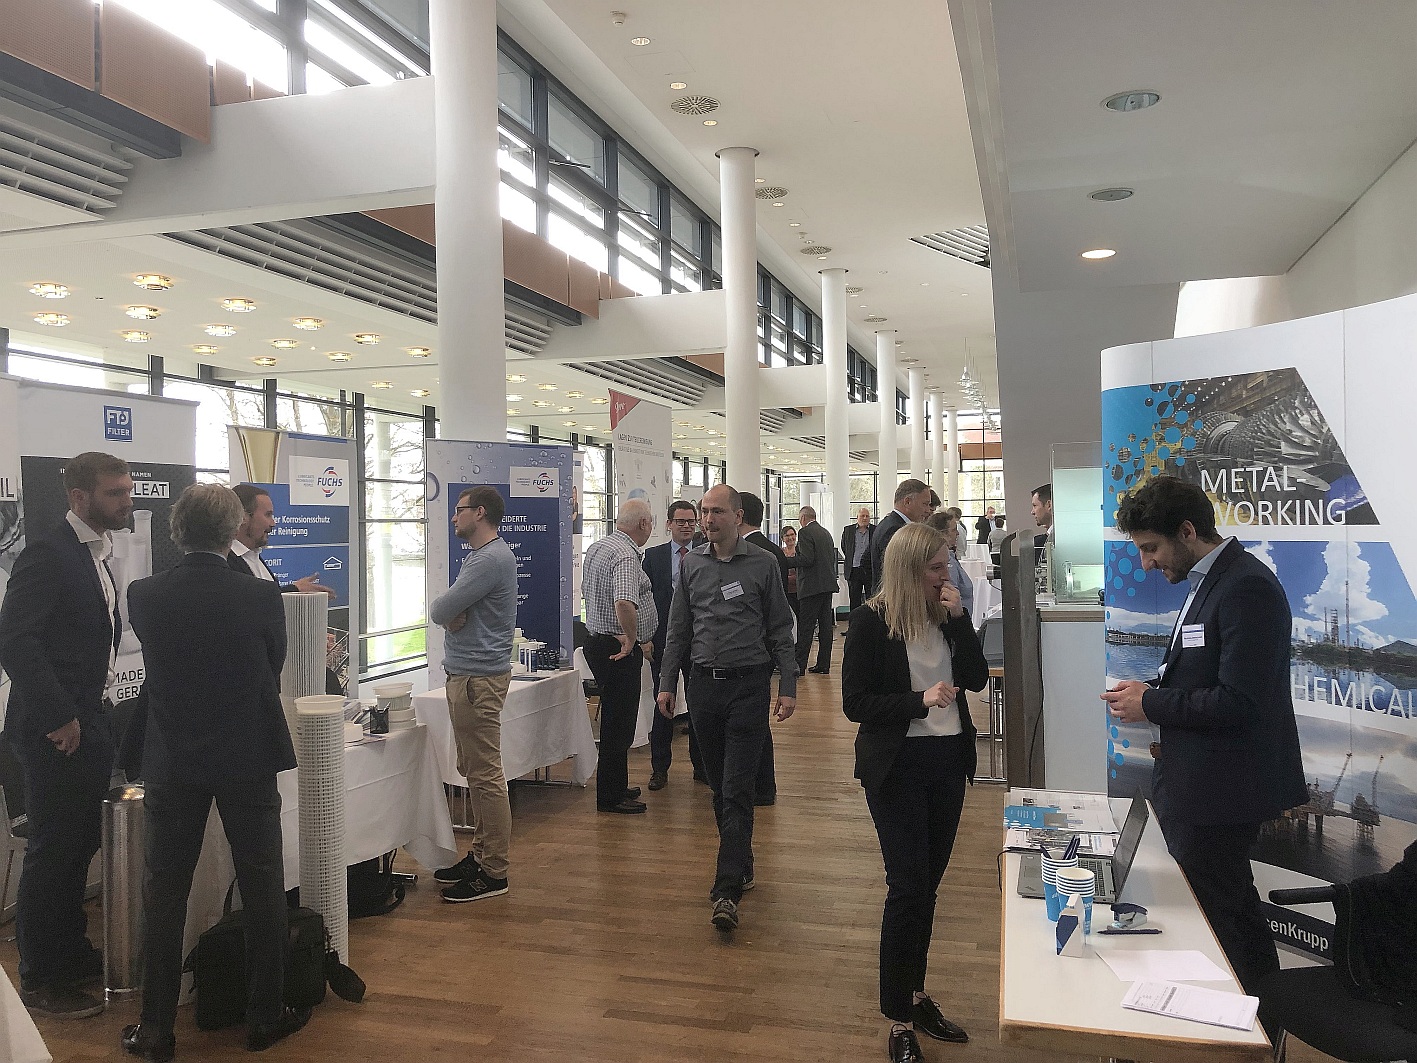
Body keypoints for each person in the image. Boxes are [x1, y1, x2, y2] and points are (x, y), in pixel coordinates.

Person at [1102, 476, 1306, 1001]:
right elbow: (1202, 674)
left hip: (1223, 791)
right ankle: (1251, 1016)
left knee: (1226, 919)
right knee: (1225, 911)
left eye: (1152, 548)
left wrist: (1150, 704)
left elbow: (1240, 701)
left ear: (1188, 531)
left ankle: (1253, 1021)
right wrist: (1152, 694)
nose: (1146, 563)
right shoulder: (1210, 581)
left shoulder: (1246, 588)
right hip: (1200, 786)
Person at [121, 484, 308, 1059]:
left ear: (177, 530)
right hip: (247, 751)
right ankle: (264, 1015)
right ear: (232, 530)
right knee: (262, 882)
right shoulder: (260, 595)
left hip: (173, 756)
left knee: (164, 890)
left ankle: (155, 1029)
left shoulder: (145, 595)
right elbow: (272, 664)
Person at [842, 521, 987, 1063]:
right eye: (936, 568)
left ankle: (917, 994)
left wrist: (962, 620)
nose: (946, 576)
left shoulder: (946, 617)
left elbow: (975, 678)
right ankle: (898, 1017)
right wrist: (917, 700)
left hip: (947, 762)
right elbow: (855, 703)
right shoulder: (870, 622)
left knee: (927, 887)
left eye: (946, 565)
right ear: (909, 570)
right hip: (897, 765)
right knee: (907, 888)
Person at [0, 451, 132, 1020]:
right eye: (114, 493)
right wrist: (58, 715)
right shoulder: (49, 554)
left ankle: (70, 953)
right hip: (53, 730)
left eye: (127, 489)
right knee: (55, 851)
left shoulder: (95, 552)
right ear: (79, 497)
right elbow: (15, 641)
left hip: (89, 720)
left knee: (79, 846)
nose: (127, 500)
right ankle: (41, 976)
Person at [657, 485, 796, 932]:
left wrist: (788, 685)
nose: (707, 518)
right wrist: (667, 683)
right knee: (719, 787)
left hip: (748, 687)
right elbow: (678, 628)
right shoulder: (692, 564)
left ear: (738, 517)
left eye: (717, 511)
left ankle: (726, 890)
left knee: (737, 788)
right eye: (704, 511)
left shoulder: (764, 564)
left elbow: (780, 627)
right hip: (703, 688)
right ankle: (742, 861)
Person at [428, 486, 519, 901]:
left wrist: (450, 615)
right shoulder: (484, 557)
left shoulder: (488, 560)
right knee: (476, 773)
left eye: (459, 510)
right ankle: (481, 855)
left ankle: (494, 872)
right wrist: (451, 615)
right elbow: (449, 612)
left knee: (485, 776)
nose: (453, 517)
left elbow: (439, 610)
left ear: (479, 513)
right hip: (471, 677)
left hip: (477, 681)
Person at [581, 499, 658, 815]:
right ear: (643, 524)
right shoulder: (626, 555)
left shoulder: (599, 547)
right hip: (617, 650)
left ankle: (616, 784)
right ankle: (610, 797)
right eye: (651, 522)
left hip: (597, 642)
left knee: (616, 719)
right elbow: (624, 602)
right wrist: (632, 640)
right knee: (619, 724)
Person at [641, 500, 703, 791]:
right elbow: (643, 600)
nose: (686, 526)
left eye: (691, 521)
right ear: (669, 524)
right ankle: (659, 768)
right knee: (662, 703)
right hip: (662, 642)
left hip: (699, 642)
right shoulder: (653, 557)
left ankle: (702, 766)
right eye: (680, 521)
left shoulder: (705, 554)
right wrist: (645, 638)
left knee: (698, 705)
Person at [737, 492, 783, 806]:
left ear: (738, 515)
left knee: (754, 724)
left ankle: (760, 786)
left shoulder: (760, 555)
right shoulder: (773, 549)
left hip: (754, 651)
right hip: (762, 650)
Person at [227, 484, 336, 597]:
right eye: (268, 515)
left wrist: (296, 591)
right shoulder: (226, 562)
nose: (273, 523)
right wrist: (294, 589)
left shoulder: (253, 557)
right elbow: (250, 600)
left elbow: (267, 598)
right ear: (243, 517)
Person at [790, 505, 840, 676]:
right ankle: (823, 664)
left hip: (811, 587)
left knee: (806, 627)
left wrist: (787, 561)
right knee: (825, 627)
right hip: (827, 585)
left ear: (803, 518)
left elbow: (807, 559)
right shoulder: (826, 533)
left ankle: (799, 666)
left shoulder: (805, 532)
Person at [870, 479, 932, 594]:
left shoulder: (888, 523)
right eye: (925, 504)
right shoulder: (895, 529)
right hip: (895, 596)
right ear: (907, 502)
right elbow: (900, 571)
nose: (928, 510)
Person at [925, 511, 973, 621]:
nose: (958, 533)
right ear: (942, 533)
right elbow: (947, 596)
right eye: (954, 530)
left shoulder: (951, 558)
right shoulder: (946, 563)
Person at [842, 507, 875, 612]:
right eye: (862, 516)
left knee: (872, 598)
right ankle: (854, 620)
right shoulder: (848, 530)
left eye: (867, 516)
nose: (864, 518)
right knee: (854, 599)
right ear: (857, 517)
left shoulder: (875, 530)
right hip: (854, 570)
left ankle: (870, 620)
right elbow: (844, 547)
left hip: (869, 570)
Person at [780, 525, 800, 617]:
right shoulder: (780, 552)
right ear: (782, 538)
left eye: (792, 534)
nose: (790, 538)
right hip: (785, 591)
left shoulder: (800, 552)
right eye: (787, 536)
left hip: (798, 590)